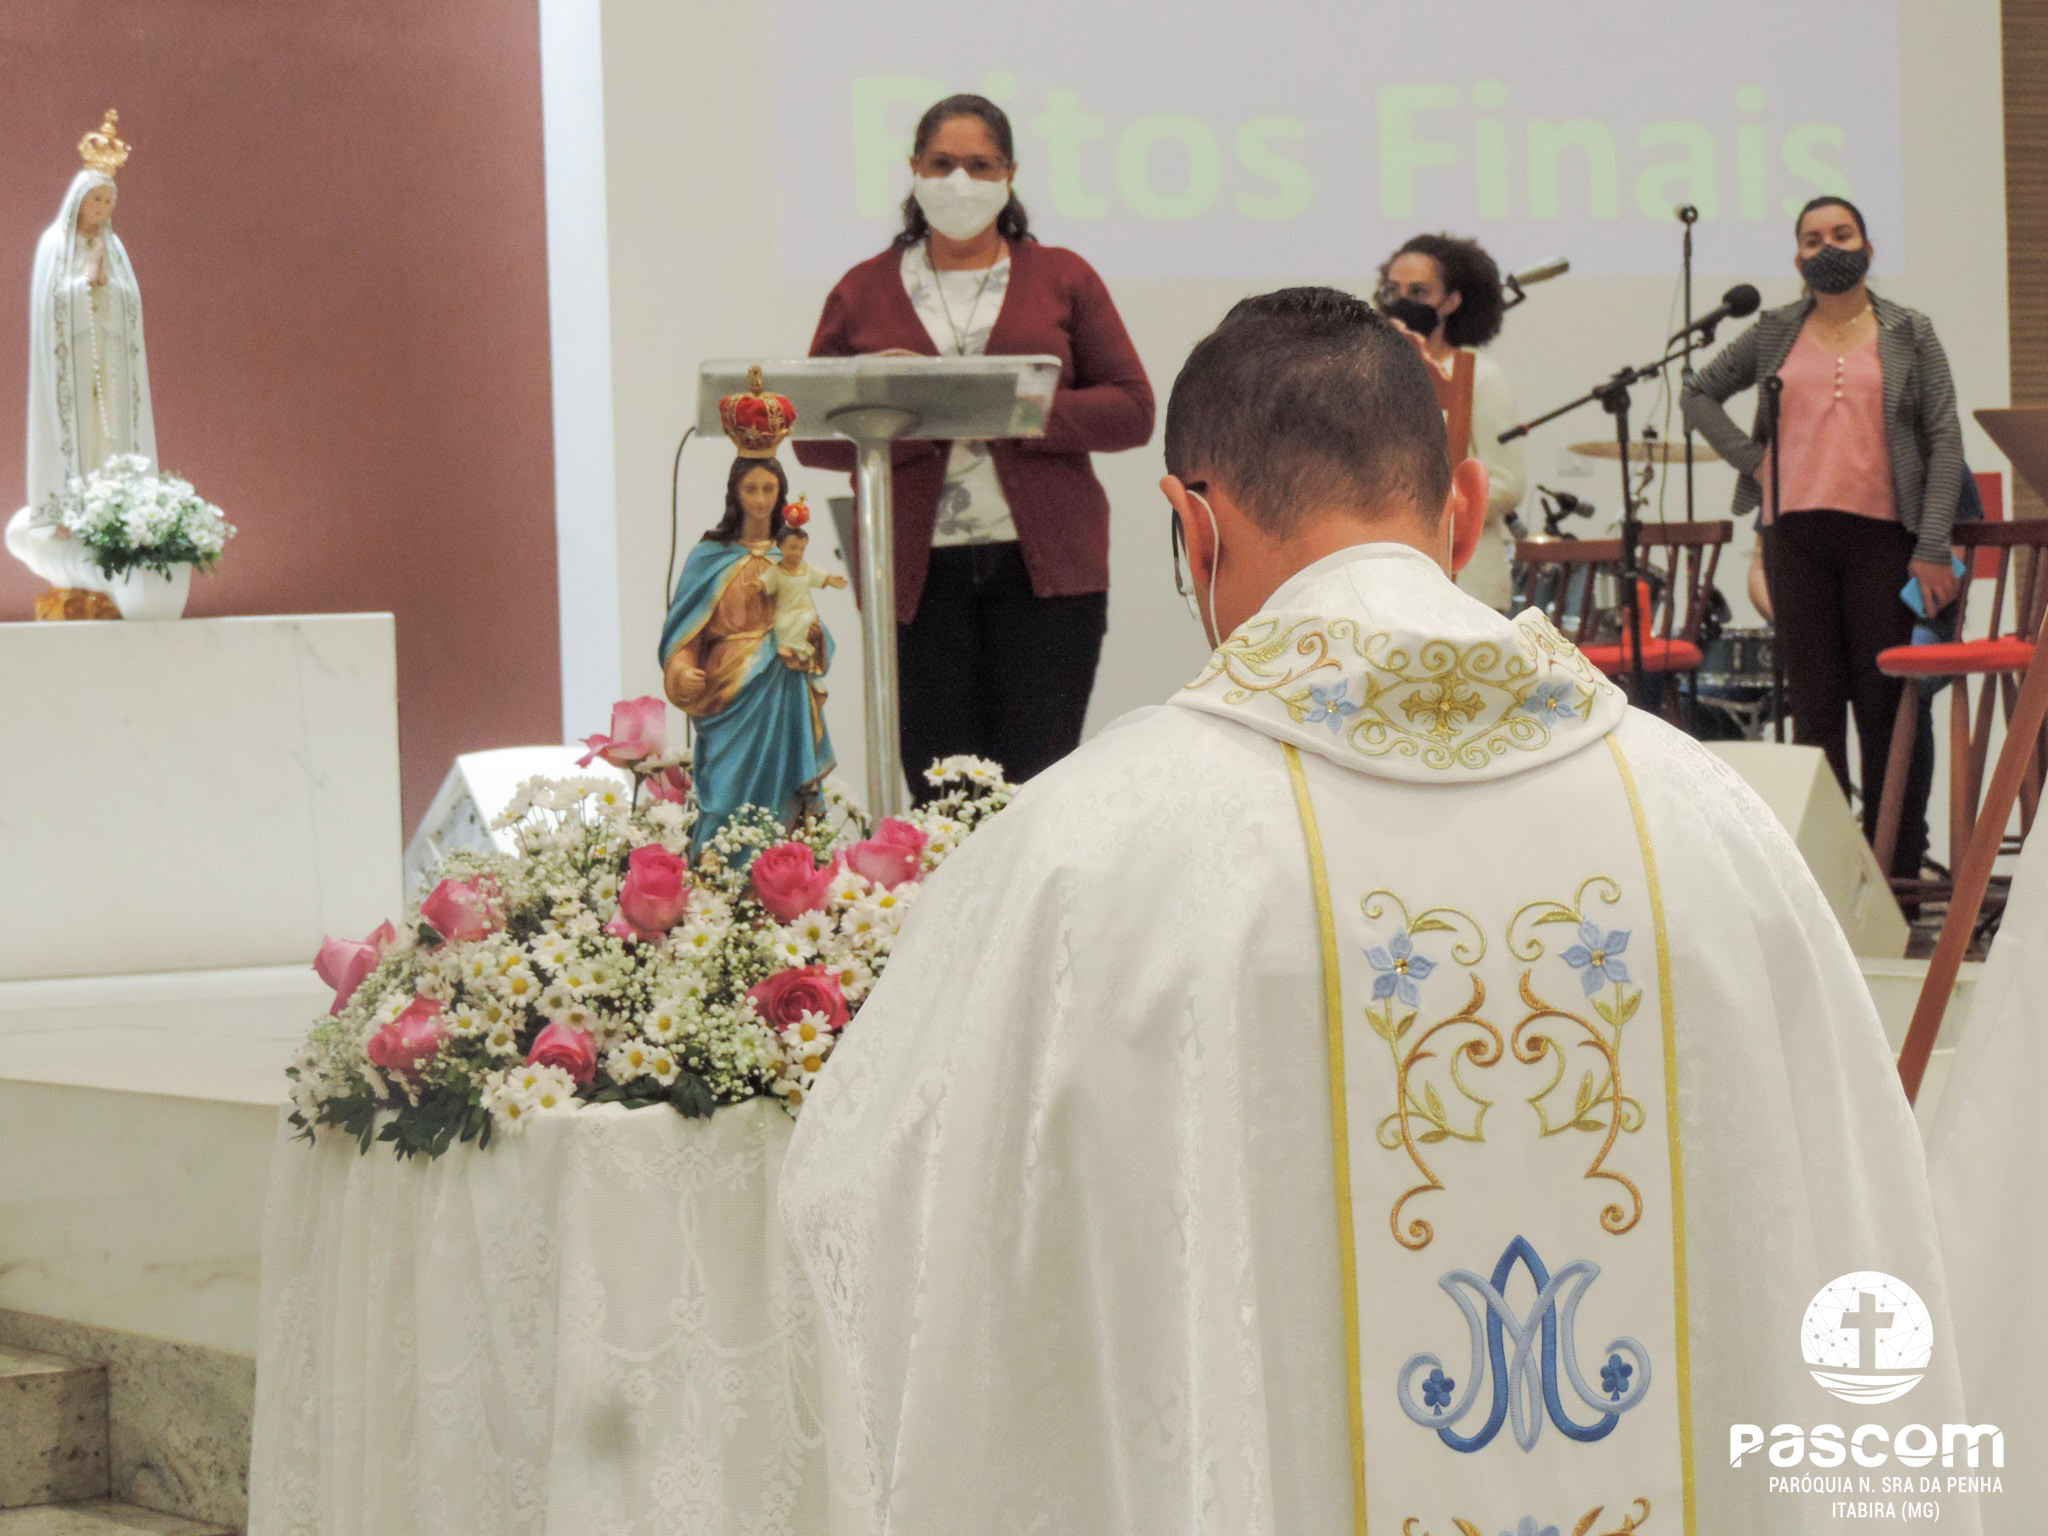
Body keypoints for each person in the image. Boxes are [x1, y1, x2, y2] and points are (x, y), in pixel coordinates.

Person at [781, 288, 1977, 1535]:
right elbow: (1857, 1212)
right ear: (1463, 508)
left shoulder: (1083, 850)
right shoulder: (1710, 823)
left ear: (1189, 526)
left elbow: (875, 1218)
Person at [795, 93, 1154, 796]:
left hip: (1048, 573)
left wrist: (1012, 408)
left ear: (1009, 175)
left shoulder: (1064, 277)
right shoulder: (862, 289)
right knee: (939, 791)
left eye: (980, 165)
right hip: (913, 575)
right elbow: (815, 436)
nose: (959, 181)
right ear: (914, 170)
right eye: (942, 164)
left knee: (1036, 783)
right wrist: (909, 418)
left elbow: (1132, 410)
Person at [1682, 195, 1960, 881]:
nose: (1828, 246)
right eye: (1813, 239)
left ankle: (1894, 872)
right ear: (1797, 257)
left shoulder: (1910, 331)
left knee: (1887, 710)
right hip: (1795, 538)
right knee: (1814, 711)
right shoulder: (1776, 330)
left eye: (1842, 233)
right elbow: (1697, 392)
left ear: (1868, 247)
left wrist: (1932, 546)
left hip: (1884, 540)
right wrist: (1753, 460)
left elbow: (1945, 440)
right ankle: (1828, 881)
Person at [6, 111, 156, 609]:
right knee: (82, 437)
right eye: (97, 199)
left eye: (110, 201)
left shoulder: (115, 248)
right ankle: (73, 515)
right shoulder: (56, 245)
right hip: (72, 366)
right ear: (79, 200)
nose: (103, 207)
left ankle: (113, 514)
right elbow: (50, 306)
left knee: (109, 441)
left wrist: (107, 288)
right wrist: (83, 285)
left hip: (108, 365)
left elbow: (129, 304)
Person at [660, 454, 834, 855]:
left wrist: (813, 636)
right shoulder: (709, 558)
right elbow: (685, 635)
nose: (759, 499)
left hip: (783, 687)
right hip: (727, 690)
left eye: (768, 489)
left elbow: (807, 619)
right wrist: (681, 671)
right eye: (750, 488)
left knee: (784, 786)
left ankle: (782, 874)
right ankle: (719, 875)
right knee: (723, 797)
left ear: (781, 494)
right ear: (734, 494)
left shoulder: (788, 559)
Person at [1377, 232, 1526, 610]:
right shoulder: (1374, 375)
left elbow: (1507, 483)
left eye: (1419, 292)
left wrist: (1425, 511)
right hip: (1391, 584)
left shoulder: (1482, 377)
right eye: (1392, 290)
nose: (1402, 303)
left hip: (1468, 585)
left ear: (1453, 301)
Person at [759, 518, 846, 669]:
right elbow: (766, 582)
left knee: (805, 622)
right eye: (793, 548)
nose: (797, 553)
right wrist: (758, 585)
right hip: (784, 610)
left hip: (804, 610)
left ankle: (798, 653)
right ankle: (793, 650)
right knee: (781, 625)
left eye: (801, 549)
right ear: (781, 547)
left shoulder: (806, 569)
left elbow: (821, 577)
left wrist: (831, 580)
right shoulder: (776, 571)